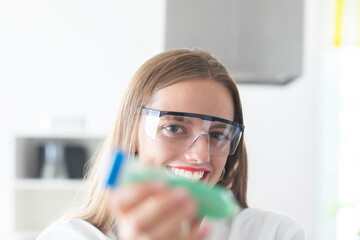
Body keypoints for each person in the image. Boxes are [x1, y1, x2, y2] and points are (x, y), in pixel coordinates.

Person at [37, 49, 306, 240]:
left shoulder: (275, 234)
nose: (201, 155)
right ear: (132, 133)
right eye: (174, 128)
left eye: (218, 134)